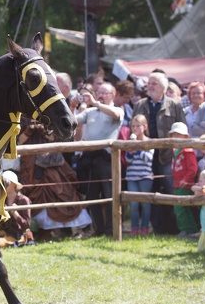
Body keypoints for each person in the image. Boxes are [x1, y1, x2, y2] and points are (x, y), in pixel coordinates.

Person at [132, 72, 186, 235]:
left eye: (154, 83)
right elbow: (132, 127)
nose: (150, 86)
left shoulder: (174, 105)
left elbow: (182, 128)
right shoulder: (140, 104)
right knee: (148, 193)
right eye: (149, 83)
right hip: (145, 156)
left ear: (163, 87)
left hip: (167, 155)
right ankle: (154, 227)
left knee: (170, 190)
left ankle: (176, 227)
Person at [72, 82, 124, 237]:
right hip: (90, 158)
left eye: (105, 92)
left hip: (107, 158)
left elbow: (115, 115)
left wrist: (95, 103)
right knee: (92, 195)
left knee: (109, 195)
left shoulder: (117, 110)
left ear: (113, 95)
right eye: (99, 92)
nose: (101, 95)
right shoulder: (91, 112)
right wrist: (72, 106)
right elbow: (73, 121)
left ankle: (111, 230)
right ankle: (99, 229)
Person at [124, 114, 154, 236]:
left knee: (145, 203)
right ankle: (134, 227)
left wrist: (137, 149)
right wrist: (131, 151)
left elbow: (148, 158)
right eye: (133, 126)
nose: (135, 129)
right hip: (132, 176)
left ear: (145, 127)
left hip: (145, 176)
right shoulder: (130, 142)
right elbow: (128, 160)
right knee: (134, 203)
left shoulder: (150, 142)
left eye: (138, 126)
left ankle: (145, 227)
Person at [170, 122, 198, 237]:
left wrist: (186, 180)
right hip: (177, 183)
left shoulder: (188, 151)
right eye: (174, 135)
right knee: (179, 207)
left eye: (179, 135)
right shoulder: (175, 150)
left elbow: (192, 168)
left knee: (182, 207)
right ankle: (185, 229)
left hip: (184, 184)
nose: (176, 137)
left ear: (185, 137)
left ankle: (189, 229)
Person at [0, 170, 34, 247]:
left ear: (14, 184)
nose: (3, 185)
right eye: (2, 183)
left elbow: (26, 225)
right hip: (3, 234)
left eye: (6, 182)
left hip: (19, 236)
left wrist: (15, 213)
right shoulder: (1, 200)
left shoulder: (24, 200)